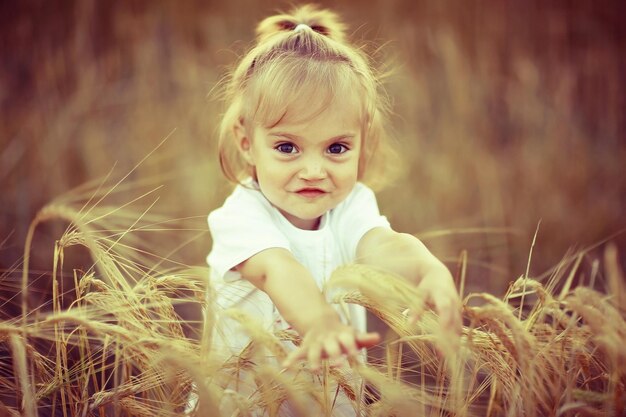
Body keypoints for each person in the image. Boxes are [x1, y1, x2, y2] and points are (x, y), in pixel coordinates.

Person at [204, 3, 462, 413]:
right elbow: (277, 269)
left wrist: (425, 268)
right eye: (287, 147)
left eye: (336, 148)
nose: (313, 170)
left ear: (362, 141)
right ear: (246, 141)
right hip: (248, 403)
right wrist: (321, 323)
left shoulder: (351, 204)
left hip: (331, 402)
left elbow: (382, 245)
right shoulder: (240, 217)